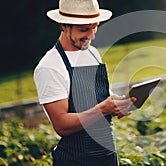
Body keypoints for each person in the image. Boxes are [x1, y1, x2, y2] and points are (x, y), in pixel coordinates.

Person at [33, 0, 136, 165]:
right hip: (75, 159)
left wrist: (117, 104)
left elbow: (101, 97)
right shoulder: (50, 66)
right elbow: (61, 125)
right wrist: (104, 108)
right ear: (63, 25)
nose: (92, 35)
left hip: (106, 155)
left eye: (94, 27)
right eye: (84, 29)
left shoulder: (92, 53)